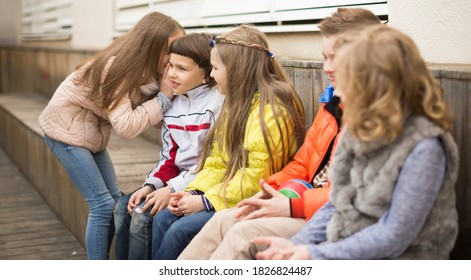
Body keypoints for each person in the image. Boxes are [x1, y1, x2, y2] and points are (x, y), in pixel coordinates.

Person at [178, 7, 381, 260]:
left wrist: (291, 204)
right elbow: (303, 162)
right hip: (303, 200)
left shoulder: (377, 116)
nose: (327, 68)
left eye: (335, 58)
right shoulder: (332, 105)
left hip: (326, 214)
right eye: (324, 57)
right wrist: (269, 189)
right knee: (222, 220)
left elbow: (357, 196)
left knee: (241, 232)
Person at [255, 24, 459, 260]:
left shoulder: (425, 148)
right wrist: (297, 245)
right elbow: (336, 203)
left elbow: (394, 236)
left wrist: (313, 254)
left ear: (379, 85)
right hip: (343, 244)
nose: (337, 93)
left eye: (348, 79)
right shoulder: (358, 130)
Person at [151, 24, 306, 260]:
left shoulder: (271, 112)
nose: (211, 75)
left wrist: (205, 201)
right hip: (227, 192)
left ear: (237, 70)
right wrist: (193, 191)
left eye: (214, 68)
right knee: (162, 218)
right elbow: (217, 162)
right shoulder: (235, 103)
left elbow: (257, 176)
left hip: (254, 198)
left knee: (179, 231)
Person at [38, 12, 184, 259]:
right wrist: (164, 97)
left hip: (89, 132)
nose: (175, 56)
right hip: (64, 131)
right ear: (152, 46)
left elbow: (149, 114)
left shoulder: (147, 72)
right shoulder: (117, 68)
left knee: (118, 201)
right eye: (171, 49)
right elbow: (126, 126)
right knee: (102, 205)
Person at [113, 33, 224, 260]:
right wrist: (151, 186)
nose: (171, 73)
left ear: (206, 75)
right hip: (177, 180)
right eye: (170, 65)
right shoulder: (173, 104)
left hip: (202, 182)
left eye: (182, 69)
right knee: (123, 208)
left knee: (143, 216)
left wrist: (171, 189)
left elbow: (210, 163)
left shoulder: (217, 104)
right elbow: (169, 157)